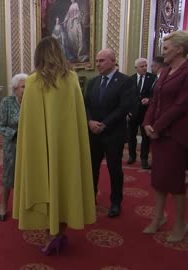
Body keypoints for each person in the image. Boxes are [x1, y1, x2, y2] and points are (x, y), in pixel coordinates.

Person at [13, 37, 95, 255]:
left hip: (40, 149)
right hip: (67, 148)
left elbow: (28, 124)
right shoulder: (72, 79)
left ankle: (52, 235)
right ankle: (59, 233)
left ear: (39, 56)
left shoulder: (32, 81)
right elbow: (77, 118)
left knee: (46, 181)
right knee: (66, 183)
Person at [142, 31, 188, 242]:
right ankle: (158, 218)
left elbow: (182, 104)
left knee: (175, 182)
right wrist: (147, 123)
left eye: (166, 48)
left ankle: (180, 224)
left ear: (179, 48)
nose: (163, 52)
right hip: (159, 133)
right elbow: (154, 99)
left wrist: (157, 126)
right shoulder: (166, 70)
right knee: (158, 179)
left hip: (177, 134)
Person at [84, 48, 133, 218]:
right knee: (91, 168)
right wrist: (89, 121)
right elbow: (86, 105)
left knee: (114, 169)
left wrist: (104, 124)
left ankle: (115, 202)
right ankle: (90, 198)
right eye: (97, 61)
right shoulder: (92, 82)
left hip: (113, 133)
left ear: (113, 61)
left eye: (102, 61)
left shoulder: (125, 81)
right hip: (93, 133)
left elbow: (124, 107)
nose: (98, 64)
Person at [0, 73, 27, 222]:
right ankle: (3, 206)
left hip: (30, 146)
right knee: (8, 177)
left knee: (27, 177)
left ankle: (25, 207)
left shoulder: (33, 102)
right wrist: (16, 134)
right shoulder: (6, 102)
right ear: (15, 89)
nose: (26, 89)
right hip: (12, 146)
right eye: (23, 87)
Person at [127, 58, 157, 169]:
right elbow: (127, 97)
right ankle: (132, 156)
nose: (144, 68)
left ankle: (144, 159)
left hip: (146, 113)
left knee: (145, 137)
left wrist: (149, 99)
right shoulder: (130, 79)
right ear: (136, 68)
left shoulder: (153, 78)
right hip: (133, 113)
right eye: (142, 66)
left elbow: (155, 94)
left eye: (145, 66)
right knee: (131, 136)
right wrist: (128, 111)